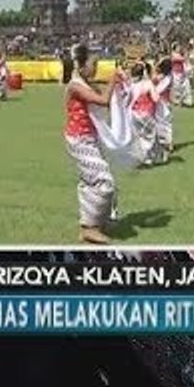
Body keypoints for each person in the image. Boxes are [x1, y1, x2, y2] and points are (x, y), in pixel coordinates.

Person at [64, 43, 118, 244]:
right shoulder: (76, 86)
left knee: (90, 182)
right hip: (79, 140)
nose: (95, 69)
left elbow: (105, 97)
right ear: (80, 65)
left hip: (89, 138)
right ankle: (90, 227)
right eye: (93, 64)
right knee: (104, 181)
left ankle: (94, 223)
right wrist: (114, 79)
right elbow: (103, 100)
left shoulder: (85, 83)